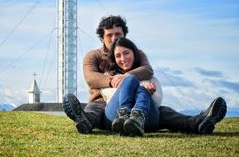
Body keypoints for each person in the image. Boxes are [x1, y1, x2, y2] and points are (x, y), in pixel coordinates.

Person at [63, 15, 227, 135]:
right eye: (109, 35)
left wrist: (129, 78)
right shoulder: (93, 56)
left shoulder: (134, 53)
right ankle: (84, 121)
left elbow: (148, 70)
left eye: (117, 34)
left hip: (140, 99)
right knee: (94, 111)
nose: (114, 38)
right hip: (102, 102)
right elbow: (90, 77)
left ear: (124, 35)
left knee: (164, 112)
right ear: (101, 37)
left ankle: (200, 122)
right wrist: (113, 80)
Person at [105, 37, 160, 136]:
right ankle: (123, 114)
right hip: (114, 115)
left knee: (140, 86)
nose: (123, 59)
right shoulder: (110, 75)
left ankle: (137, 117)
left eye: (126, 53)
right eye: (118, 56)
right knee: (132, 80)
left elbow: (158, 99)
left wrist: (140, 84)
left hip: (147, 117)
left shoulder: (146, 74)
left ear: (134, 52)